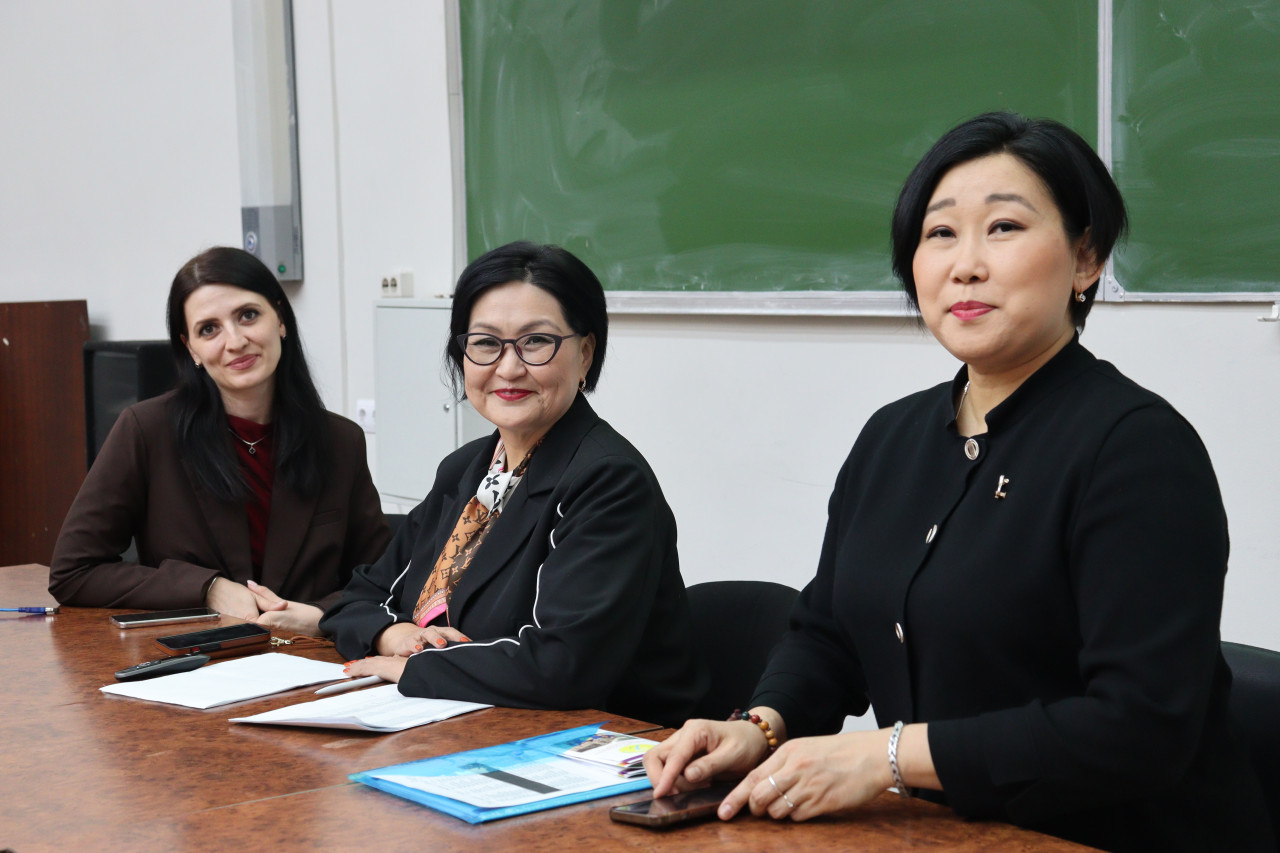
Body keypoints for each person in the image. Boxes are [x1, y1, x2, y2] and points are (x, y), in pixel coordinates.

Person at [644, 113, 1274, 851]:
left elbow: (1138, 725)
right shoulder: (892, 436)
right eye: (940, 233)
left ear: (1086, 258)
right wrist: (761, 726)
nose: (965, 265)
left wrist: (885, 755)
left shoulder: (1137, 448)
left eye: (1003, 228)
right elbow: (831, 632)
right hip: (943, 833)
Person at [322, 241, 705, 727]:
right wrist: (392, 635)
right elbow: (358, 598)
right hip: (461, 723)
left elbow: (562, 665)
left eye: (536, 341)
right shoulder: (467, 469)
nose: (508, 368)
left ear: (585, 354)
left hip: (599, 744)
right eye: (485, 343)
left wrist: (418, 667)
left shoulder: (608, 482)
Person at [50, 247, 391, 635]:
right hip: (195, 657)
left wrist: (321, 616)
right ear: (191, 348)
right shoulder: (146, 430)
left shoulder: (341, 441)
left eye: (248, 315)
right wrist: (207, 588)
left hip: (311, 656)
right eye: (208, 329)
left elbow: (384, 579)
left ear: (280, 319)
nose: (235, 341)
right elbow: (73, 572)